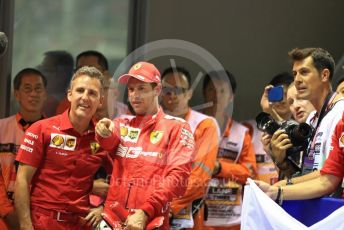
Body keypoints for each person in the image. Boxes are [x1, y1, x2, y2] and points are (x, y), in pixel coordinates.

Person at [95, 61, 194, 230]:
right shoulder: (121, 123)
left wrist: (145, 211)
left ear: (157, 90)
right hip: (112, 220)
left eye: (141, 89)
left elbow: (178, 178)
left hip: (151, 221)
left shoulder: (177, 127)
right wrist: (102, 131)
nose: (134, 95)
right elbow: (109, 141)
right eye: (131, 89)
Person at [14, 66, 110, 230]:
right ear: (69, 95)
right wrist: (25, 225)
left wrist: (104, 209)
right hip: (42, 222)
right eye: (80, 90)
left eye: (92, 93)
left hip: (81, 224)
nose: (85, 97)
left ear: (100, 100)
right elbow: (22, 180)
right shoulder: (41, 129)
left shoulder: (103, 137)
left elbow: (124, 177)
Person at [267, 48, 344, 186]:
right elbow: (306, 175)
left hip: (336, 204)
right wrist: (283, 162)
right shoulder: (311, 118)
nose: (297, 80)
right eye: (295, 74)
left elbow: (331, 175)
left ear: (324, 75)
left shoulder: (340, 111)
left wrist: (282, 187)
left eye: (304, 72)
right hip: (315, 202)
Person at [160, 67, 219, 230]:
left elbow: (199, 177)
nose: (172, 95)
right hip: (150, 214)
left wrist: (164, 207)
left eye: (178, 89)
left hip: (186, 218)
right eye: (167, 90)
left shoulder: (205, 124)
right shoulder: (151, 122)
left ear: (189, 93)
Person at [202, 70, 256, 230]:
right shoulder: (193, 126)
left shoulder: (241, 133)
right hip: (199, 218)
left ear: (231, 97)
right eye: (211, 89)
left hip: (232, 220)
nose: (216, 95)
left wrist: (219, 168)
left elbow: (250, 172)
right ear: (204, 93)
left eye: (222, 90)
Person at [256, 111, 344, 200]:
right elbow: (324, 176)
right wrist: (280, 161)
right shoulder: (311, 119)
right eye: (292, 101)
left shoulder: (337, 113)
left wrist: (280, 188)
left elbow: (328, 178)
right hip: (316, 200)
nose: (296, 105)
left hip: (332, 201)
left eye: (300, 99)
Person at [0, 68, 47, 230]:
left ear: (45, 94)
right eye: (27, 89)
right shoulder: (1, 128)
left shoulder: (55, 133)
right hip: (3, 215)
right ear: (17, 94)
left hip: (41, 215)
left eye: (38, 89)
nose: (33, 94)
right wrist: (6, 211)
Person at [36, 50, 74, 117]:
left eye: (45, 69)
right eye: (40, 68)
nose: (40, 72)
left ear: (62, 76)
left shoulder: (48, 104)